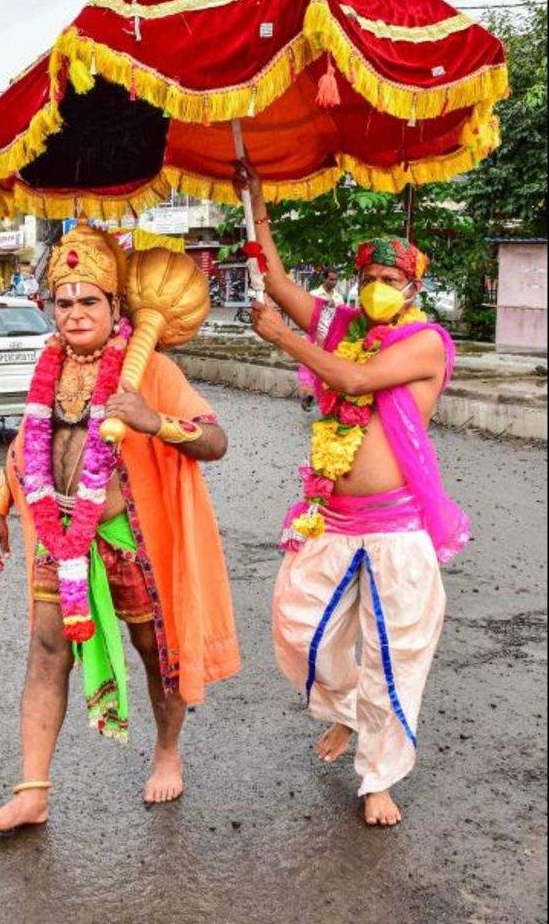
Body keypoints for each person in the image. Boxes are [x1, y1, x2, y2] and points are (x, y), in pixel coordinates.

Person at [0, 224, 240, 831]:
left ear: (116, 306)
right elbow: (30, 442)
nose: (73, 314)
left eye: (88, 300)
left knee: (158, 654)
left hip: (130, 538)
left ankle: (167, 753)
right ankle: (32, 793)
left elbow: (216, 441)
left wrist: (155, 421)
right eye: (63, 302)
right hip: (57, 535)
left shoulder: (152, 370)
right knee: (46, 653)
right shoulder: (49, 364)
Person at [234, 158, 469, 828]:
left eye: (389, 280)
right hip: (332, 519)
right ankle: (343, 710)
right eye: (366, 277)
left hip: (396, 528)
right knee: (297, 623)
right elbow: (277, 282)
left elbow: (354, 380)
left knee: (393, 653)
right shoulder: (343, 327)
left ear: (413, 285)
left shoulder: (426, 342)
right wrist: (256, 202)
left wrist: (283, 339)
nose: (375, 288)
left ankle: (378, 778)